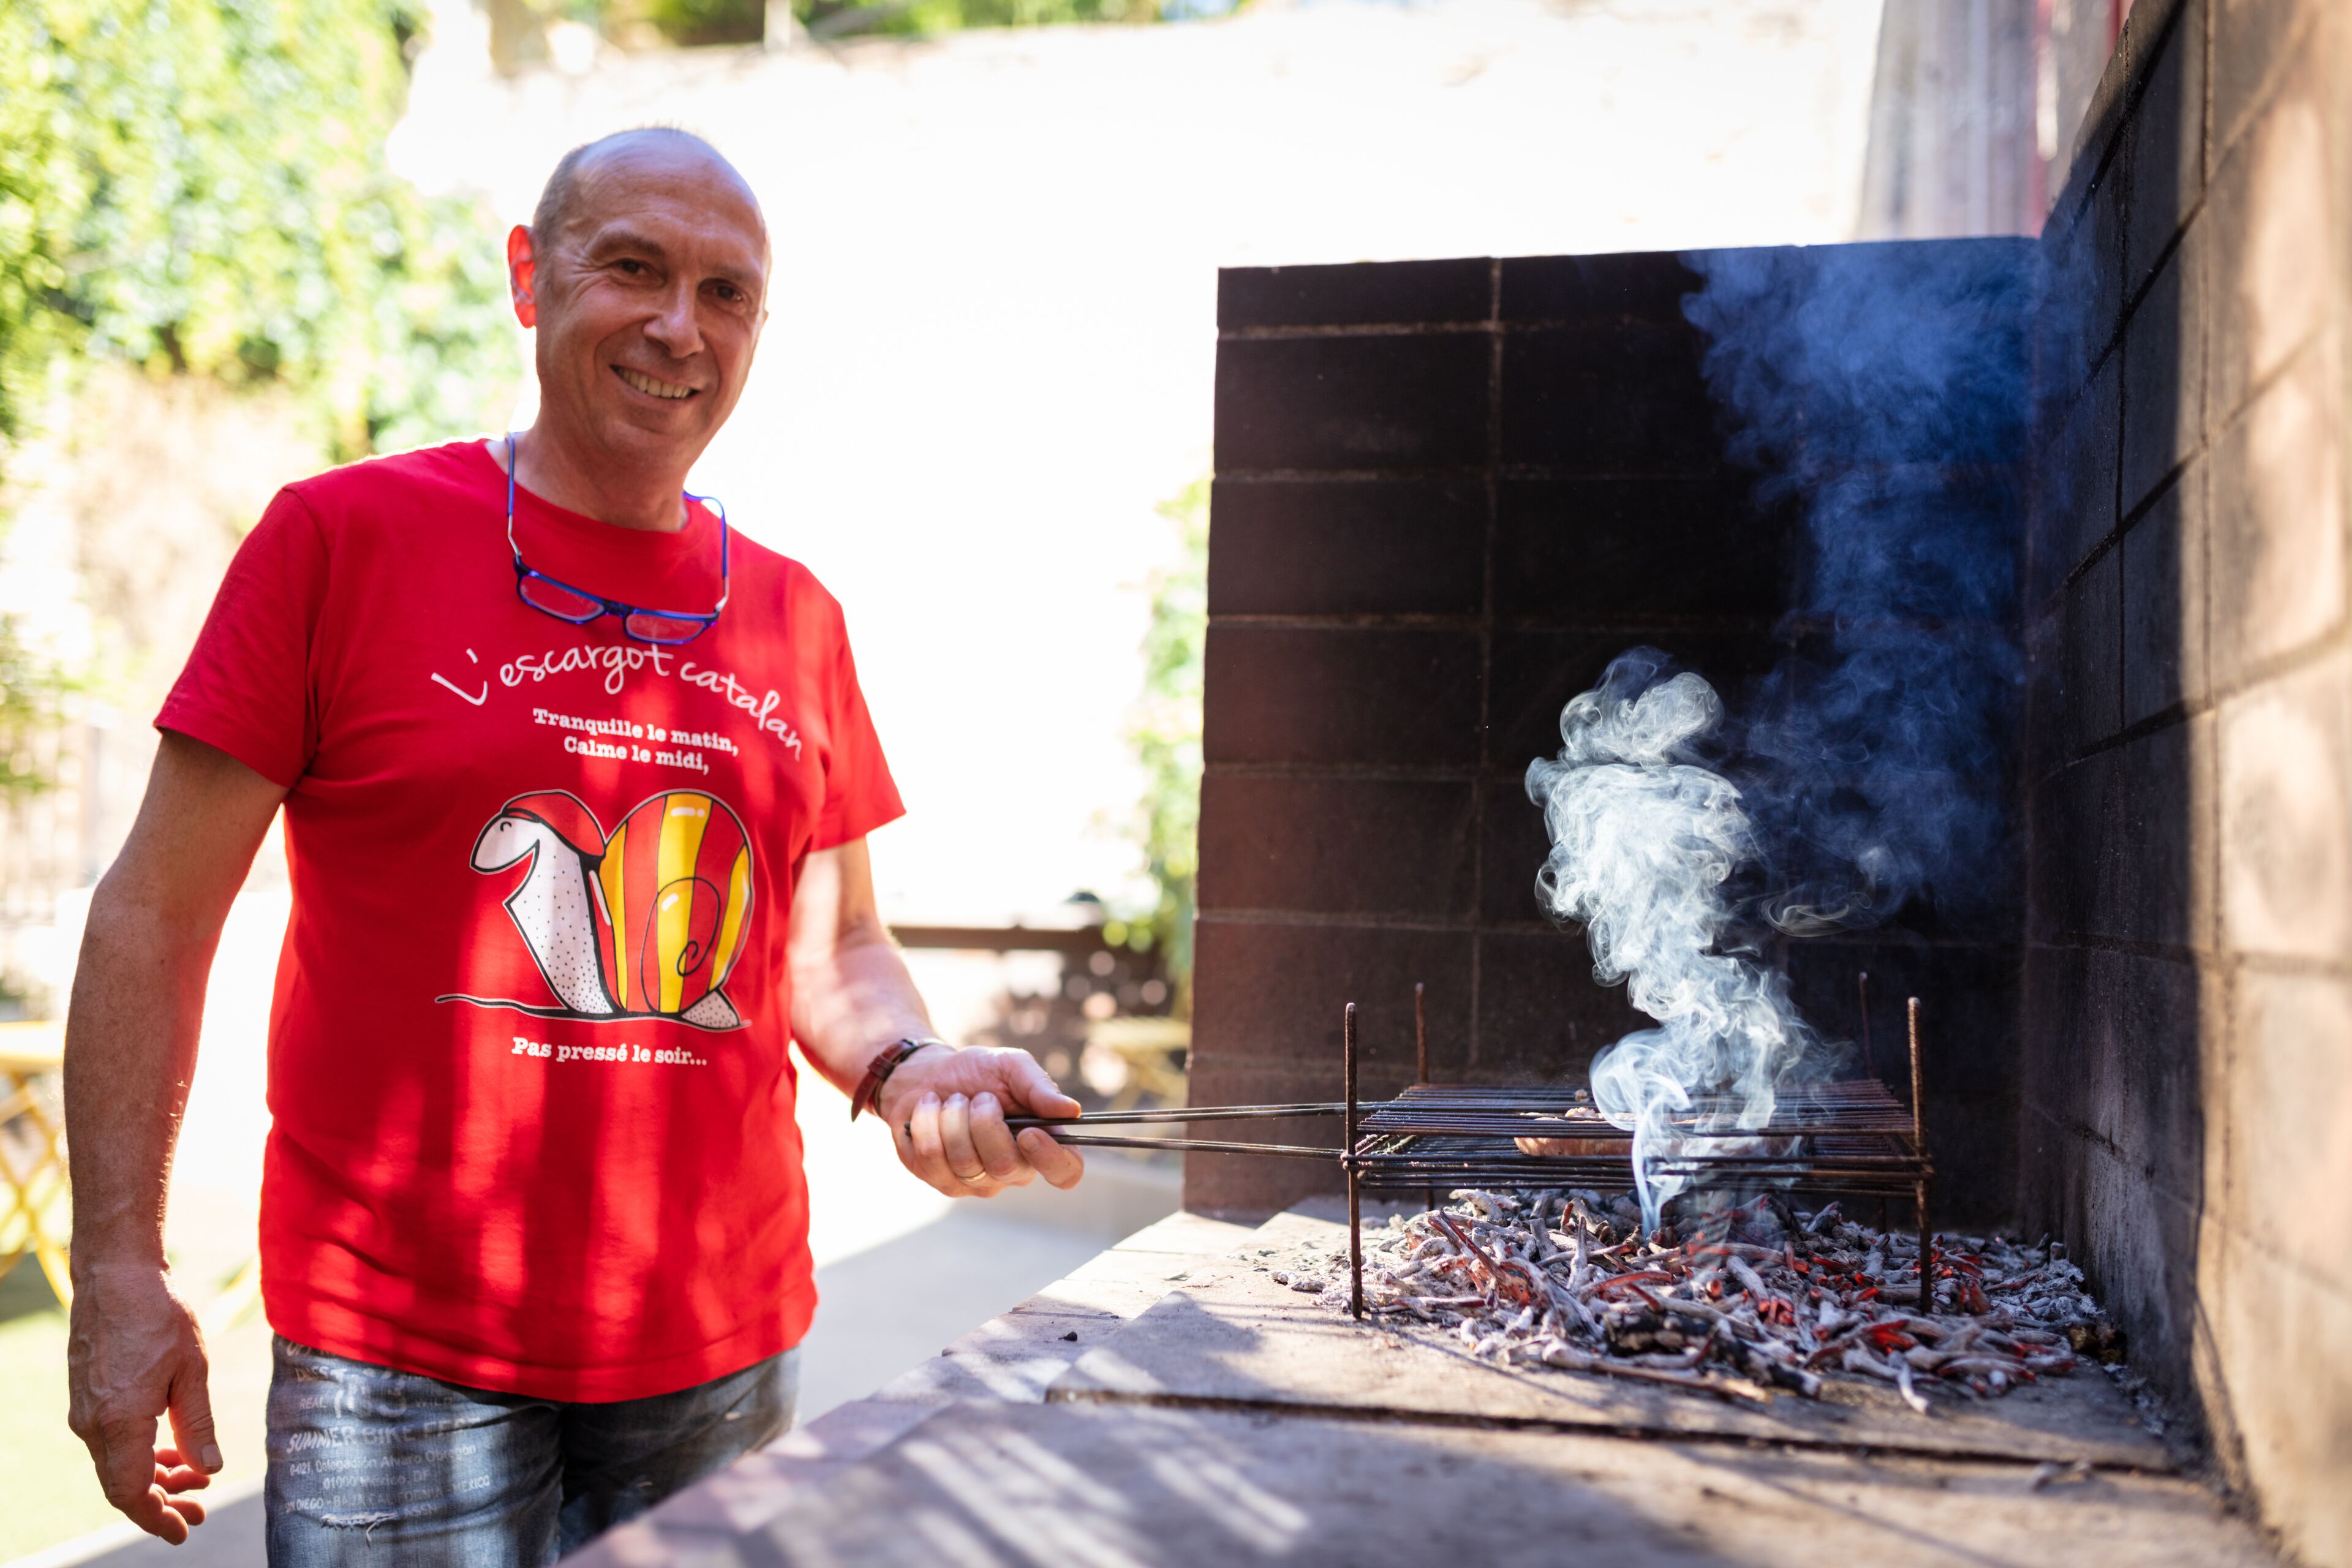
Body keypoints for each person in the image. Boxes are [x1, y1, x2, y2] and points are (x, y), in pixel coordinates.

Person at [62, 126, 1085, 1564]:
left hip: (721, 1351)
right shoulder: (338, 539)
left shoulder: (799, 616)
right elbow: (152, 915)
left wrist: (914, 1067)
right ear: (530, 278)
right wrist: (117, 1266)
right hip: (398, 1360)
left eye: (727, 294)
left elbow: (831, 943)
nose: (681, 326)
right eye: (635, 269)